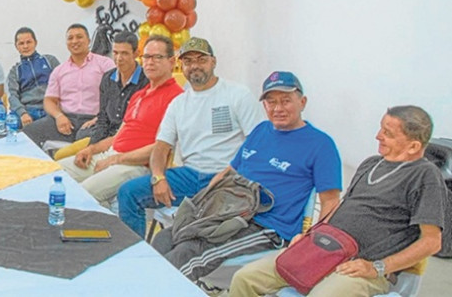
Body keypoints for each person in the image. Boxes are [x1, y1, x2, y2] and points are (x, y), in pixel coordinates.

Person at [230, 105, 446, 297]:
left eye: (388, 133)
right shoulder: (370, 164)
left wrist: (378, 267)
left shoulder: (425, 175)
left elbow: (431, 242)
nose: (378, 136)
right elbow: (341, 207)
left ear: (413, 147)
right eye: (381, 128)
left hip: (360, 265)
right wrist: (307, 237)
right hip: (322, 248)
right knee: (245, 279)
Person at [151, 71, 342, 283]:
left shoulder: (320, 144)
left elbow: (331, 201)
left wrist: (312, 245)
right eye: (271, 102)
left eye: (286, 101)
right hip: (228, 212)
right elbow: (229, 172)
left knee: (188, 254)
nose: (278, 108)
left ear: (302, 102)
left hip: (267, 226)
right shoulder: (261, 130)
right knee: (165, 238)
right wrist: (201, 204)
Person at [117, 37, 264, 237]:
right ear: (181, 65)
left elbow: (258, 143)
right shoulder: (178, 104)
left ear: (213, 62)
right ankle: (136, 256)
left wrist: (230, 173)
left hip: (227, 178)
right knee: (128, 193)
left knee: (193, 228)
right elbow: (160, 148)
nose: (195, 66)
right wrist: (158, 177)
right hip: (189, 176)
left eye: (201, 60)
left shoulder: (237, 95)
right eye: (188, 61)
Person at [58, 34, 182, 209]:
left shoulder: (176, 98)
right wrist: (91, 150)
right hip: (112, 155)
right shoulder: (139, 95)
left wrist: (116, 159)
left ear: (171, 61)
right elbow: (118, 136)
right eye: (147, 57)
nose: (150, 62)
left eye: (157, 57)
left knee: (81, 195)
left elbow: (160, 149)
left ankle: (107, 227)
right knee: (53, 173)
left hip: (138, 165)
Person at [22, 23, 115, 147]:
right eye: (70, 38)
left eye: (79, 37)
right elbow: (49, 101)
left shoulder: (105, 64)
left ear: (88, 40)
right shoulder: (59, 70)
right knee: (27, 133)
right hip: (66, 120)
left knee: (84, 138)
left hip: (95, 120)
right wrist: (59, 116)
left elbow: (116, 95)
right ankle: (42, 165)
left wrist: (100, 118)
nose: (74, 41)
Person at [6, 27, 61, 126]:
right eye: (21, 44)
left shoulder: (49, 60)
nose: (25, 46)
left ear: (35, 43)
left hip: (50, 108)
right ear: (16, 46)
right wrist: (23, 114)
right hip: (28, 111)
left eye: (29, 42)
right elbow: (12, 96)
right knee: (10, 124)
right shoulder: (15, 70)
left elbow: (64, 84)